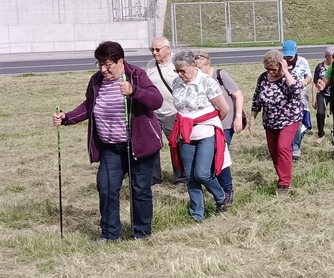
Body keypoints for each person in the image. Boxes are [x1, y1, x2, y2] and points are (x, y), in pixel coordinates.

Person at [53, 41, 163, 242]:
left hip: (139, 146)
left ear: (120, 61)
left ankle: (141, 233)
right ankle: (110, 234)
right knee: (106, 187)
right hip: (111, 147)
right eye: (100, 64)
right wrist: (67, 117)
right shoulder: (96, 80)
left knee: (139, 190)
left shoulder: (136, 75)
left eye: (107, 64)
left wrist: (134, 91)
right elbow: (89, 105)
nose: (103, 69)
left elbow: (156, 101)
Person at [169, 50, 230, 222]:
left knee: (202, 173)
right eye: (177, 71)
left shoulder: (207, 82)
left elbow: (224, 109)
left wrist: (206, 122)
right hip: (186, 135)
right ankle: (197, 214)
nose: (180, 75)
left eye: (183, 71)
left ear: (192, 66)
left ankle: (221, 197)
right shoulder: (176, 83)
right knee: (190, 176)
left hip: (206, 133)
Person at [250, 50, 303, 194]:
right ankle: (281, 176)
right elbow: (256, 99)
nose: (271, 72)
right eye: (268, 69)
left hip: (289, 119)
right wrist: (252, 118)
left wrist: (285, 71)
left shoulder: (289, 76)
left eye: (273, 69)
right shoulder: (263, 78)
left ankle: (284, 183)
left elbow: (297, 90)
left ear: (281, 65)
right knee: (274, 151)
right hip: (270, 121)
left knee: (283, 147)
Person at [194, 49, 243, 205]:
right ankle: (218, 189)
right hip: (208, 125)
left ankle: (227, 188)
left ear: (208, 64)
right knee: (211, 157)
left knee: (220, 155)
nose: (197, 71)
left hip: (225, 124)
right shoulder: (197, 80)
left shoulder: (220, 75)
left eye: (199, 68)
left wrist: (238, 117)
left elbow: (238, 95)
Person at [145, 37, 186, 185]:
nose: (154, 52)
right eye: (152, 49)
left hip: (172, 112)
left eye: (157, 49)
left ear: (167, 49)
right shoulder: (150, 65)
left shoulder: (177, 63)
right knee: (152, 146)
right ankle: (154, 178)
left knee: (176, 145)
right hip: (154, 113)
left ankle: (181, 178)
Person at [283, 40, 312, 162]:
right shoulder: (281, 63)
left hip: (300, 95)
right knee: (287, 122)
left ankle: (295, 147)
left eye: (291, 55)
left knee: (298, 121)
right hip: (285, 96)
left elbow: (309, 76)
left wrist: (304, 82)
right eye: (287, 55)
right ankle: (287, 146)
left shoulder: (303, 61)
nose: (289, 58)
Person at [312, 46, 334, 145]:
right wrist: (313, 99)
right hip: (322, 93)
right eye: (332, 56)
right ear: (327, 57)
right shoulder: (320, 67)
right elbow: (315, 83)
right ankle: (321, 134)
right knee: (320, 113)